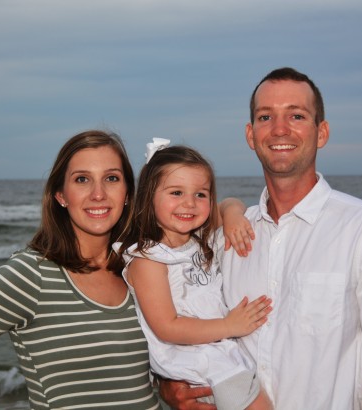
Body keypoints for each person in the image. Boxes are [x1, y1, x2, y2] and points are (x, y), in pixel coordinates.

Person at [160, 67, 362, 409]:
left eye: (296, 115)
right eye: (265, 117)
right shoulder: (225, 238)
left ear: (322, 132)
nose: (280, 129)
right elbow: (179, 314)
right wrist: (169, 385)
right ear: (250, 135)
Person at [0, 130, 162, 409]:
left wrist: (229, 208)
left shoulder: (140, 267)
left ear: (126, 194)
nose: (98, 194)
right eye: (82, 179)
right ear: (61, 195)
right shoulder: (30, 274)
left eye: (111, 178)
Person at [115, 139, 273, 410]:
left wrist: (234, 215)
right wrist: (230, 326)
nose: (189, 203)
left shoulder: (200, 238)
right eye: (176, 193)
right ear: (148, 197)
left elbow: (228, 203)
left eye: (201, 194)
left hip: (218, 351)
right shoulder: (149, 260)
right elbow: (167, 326)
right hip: (193, 360)